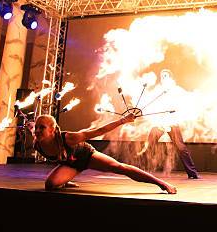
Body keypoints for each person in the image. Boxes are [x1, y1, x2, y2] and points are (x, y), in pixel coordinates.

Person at [33, 114, 177, 194]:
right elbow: (62, 158)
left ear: (52, 130)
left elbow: (98, 131)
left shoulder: (69, 138)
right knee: (50, 185)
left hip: (87, 156)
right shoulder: (38, 144)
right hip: (71, 165)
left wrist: (122, 121)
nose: (37, 130)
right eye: (36, 127)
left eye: (42, 127)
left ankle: (161, 183)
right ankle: (66, 180)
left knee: (120, 168)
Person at [141, 69, 199, 179]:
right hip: (159, 123)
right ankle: (141, 170)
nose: (164, 77)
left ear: (171, 77)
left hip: (172, 123)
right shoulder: (158, 90)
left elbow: (182, 104)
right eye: (162, 75)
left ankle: (193, 173)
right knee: (149, 146)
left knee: (181, 148)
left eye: (166, 75)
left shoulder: (176, 90)